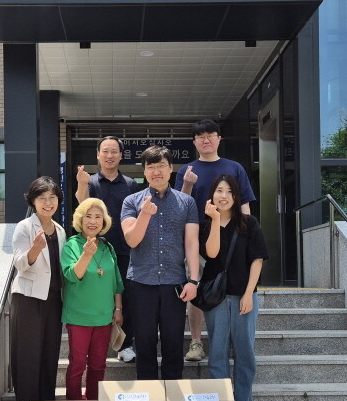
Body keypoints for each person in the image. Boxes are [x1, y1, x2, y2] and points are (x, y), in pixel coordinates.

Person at [175, 119, 257, 363]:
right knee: (197, 289)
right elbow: (179, 206)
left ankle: (230, 342)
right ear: (194, 142)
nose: (206, 140)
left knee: (232, 289)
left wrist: (247, 236)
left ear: (219, 139)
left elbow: (244, 204)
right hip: (197, 241)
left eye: (210, 135)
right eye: (200, 136)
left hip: (232, 241)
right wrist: (187, 184)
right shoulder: (187, 170)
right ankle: (196, 342)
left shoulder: (235, 168)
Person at [121, 145, 200, 380]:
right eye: (151, 167)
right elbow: (132, 240)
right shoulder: (131, 201)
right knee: (144, 343)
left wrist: (193, 280)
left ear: (171, 168)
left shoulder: (187, 202)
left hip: (174, 282)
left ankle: (172, 393)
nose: (156, 172)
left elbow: (191, 242)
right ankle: (148, 395)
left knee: (173, 343)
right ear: (144, 171)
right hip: (141, 282)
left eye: (161, 166)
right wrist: (145, 214)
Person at [199, 174, 269, 401]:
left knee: (244, 351)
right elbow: (212, 253)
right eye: (219, 190)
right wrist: (216, 220)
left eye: (229, 191)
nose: (224, 196)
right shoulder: (206, 224)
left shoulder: (249, 223)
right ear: (212, 195)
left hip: (244, 296)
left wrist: (249, 294)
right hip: (216, 298)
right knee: (217, 351)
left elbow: (257, 260)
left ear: (237, 196)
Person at [75, 136, 139, 363]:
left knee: (127, 297)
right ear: (98, 155)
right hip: (96, 250)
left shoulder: (130, 184)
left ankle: (125, 344)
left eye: (114, 151)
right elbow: (82, 207)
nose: (109, 155)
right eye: (105, 151)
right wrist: (82, 184)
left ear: (121, 156)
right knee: (99, 296)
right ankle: (96, 345)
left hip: (125, 249)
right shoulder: (91, 182)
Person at [9, 176, 66, 401]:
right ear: (33, 201)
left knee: (49, 356)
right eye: (42, 198)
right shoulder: (24, 227)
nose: (48, 202)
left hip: (53, 299)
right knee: (28, 357)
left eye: (52, 198)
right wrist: (34, 249)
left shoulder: (60, 230)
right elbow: (20, 263)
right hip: (28, 299)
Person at [61, 197, 124, 401]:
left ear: (104, 221)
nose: (93, 221)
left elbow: (116, 282)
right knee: (77, 364)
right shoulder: (72, 245)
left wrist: (118, 309)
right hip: (79, 316)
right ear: (80, 219)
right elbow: (72, 275)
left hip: (104, 316)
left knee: (98, 365)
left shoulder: (107, 247)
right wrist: (86, 255)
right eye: (88, 216)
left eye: (98, 217)